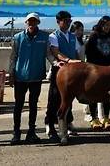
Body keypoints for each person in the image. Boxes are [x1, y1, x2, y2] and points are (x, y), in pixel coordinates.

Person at [8, 13, 48, 145]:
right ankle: (16, 132)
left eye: (34, 21)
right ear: (26, 22)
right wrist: (11, 74)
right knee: (18, 105)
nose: (31, 23)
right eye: (29, 21)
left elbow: (48, 54)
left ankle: (31, 131)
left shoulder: (44, 37)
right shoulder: (18, 37)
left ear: (38, 22)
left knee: (33, 105)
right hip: (20, 77)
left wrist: (56, 63)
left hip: (36, 76)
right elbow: (13, 57)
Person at [45, 11, 82, 142]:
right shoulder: (53, 36)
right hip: (59, 70)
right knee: (54, 99)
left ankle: (67, 122)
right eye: (65, 20)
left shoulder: (73, 36)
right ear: (58, 21)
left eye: (69, 20)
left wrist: (80, 64)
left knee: (69, 99)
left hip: (73, 73)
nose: (67, 23)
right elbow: (56, 52)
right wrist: (68, 61)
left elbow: (77, 53)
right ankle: (49, 125)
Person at [83, 16, 110, 131]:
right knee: (93, 95)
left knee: (107, 95)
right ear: (100, 24)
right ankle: (94, 118)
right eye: (105, 25)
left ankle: (106, 118)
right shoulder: (93, 35)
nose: (107, 27)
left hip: (108, 69)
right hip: (95, 70)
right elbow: (87, 51)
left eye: (109, 25)